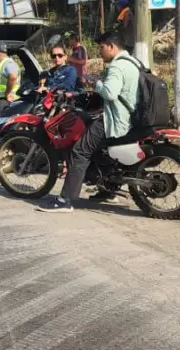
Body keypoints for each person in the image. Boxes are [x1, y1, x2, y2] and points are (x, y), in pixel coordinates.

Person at [37, 31, 140, 213]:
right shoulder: (133, 63)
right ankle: (108, 191)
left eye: (101, 47)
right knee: (100, 150)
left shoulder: (117, 66)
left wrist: (96, 83)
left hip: (114, 119)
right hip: (129, 118)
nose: (100, 52)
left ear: (111, 46)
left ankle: (65, 200)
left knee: (80, 151)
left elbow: (110, 93)